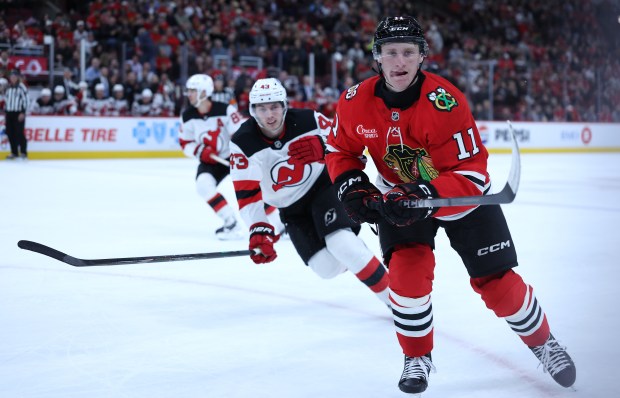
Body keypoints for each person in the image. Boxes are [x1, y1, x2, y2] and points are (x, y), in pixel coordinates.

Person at [324, 16, 576, 394]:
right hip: (400, 199)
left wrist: (424, 194)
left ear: (422, 56)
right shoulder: (355, 101)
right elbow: (340, 151)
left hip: (462, 201)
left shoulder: (445, 102)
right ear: (377, 57)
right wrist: (353, 188)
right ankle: (416, 357)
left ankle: (544, 343)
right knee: (408, 278)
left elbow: (473, 172)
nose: (399, 61)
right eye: (390, 52)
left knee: (499, 286)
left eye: (408, 52)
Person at [228, 78, 390, 306]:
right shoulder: (243, 143)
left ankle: (396, 300)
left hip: (323, 189)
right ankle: (355, 255)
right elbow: (247, 195)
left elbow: (351, 150)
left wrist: (324, 148)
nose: (269, 115)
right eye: (262, 108)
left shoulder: (309, 120)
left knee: (340, 243)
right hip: (291, 210)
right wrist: (258, 228)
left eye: (274, 106)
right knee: (327, 268)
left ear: (284, 105)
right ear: (252, 110)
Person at [178, 73, 246, 239]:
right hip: (211, 160)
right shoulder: (187, 116)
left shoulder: (226, 109)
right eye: (189, 90)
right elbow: (185, 143)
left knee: (252, 187)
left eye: (193, 90)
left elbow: (242, 133)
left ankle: (279, 223)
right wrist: (201, 152)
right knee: (203, 185)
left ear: (203, 92)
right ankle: (230, 221)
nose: (189, 94)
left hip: (234, 157)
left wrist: (240, 152)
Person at [2, 69, 29, 160]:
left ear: (17, 77)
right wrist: (6, 112)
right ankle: (14, 152)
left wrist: (23, 112)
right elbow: (6, 100)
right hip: (9, 113)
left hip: (18, 113)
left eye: (14, 77)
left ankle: (23, 152)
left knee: (19, 133)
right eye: (11, 77)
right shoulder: (8, 87)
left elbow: (26, 100)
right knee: (10, 133)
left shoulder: (22, 87)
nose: (13, 78)